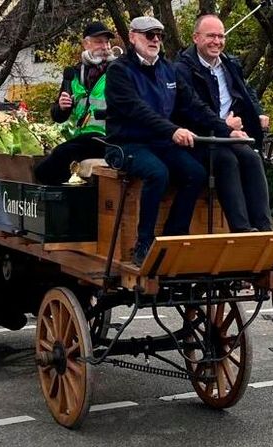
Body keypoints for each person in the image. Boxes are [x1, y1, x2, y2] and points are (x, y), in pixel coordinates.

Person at [105, 16, 247, 266]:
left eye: (159, 35)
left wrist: (225, 129)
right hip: (128, 143)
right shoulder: (119, 71)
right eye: (149, 35)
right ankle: (144, 243)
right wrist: (173, 130)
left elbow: (193, 105)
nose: (156, 40)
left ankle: (173, 237)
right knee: (157, 173)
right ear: (132, 36)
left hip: (160, 143)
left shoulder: (167, 69)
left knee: (196, 173)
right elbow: (138, 111)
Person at [175, 14, 272, 232]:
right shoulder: (181, 70)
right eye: (211, 36)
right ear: (196, 38)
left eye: (221, 36)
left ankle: (265, 228)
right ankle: (242, 229)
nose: (217, 42)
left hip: (228, 135)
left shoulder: (229, 64)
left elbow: (247, 91)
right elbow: (193, 109)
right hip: (201, 138)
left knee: (252, 158)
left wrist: (258, 113)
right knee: (226, 161)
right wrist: (226, 128)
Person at [34, 21, 116, 185]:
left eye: (107, 42)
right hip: (83, 139)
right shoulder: (74, 74)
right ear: (86, 43)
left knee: (55, 160)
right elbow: (58, 116)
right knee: (52, 165)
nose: (105, 46)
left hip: (109, 138)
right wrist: (62, 107)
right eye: (99, 41)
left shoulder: (117, 70)